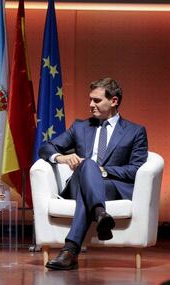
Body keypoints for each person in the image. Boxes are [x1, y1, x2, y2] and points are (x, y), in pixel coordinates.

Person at [39, 78, 148, 270]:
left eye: (96, 101)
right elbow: (46, 147)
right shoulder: (80, 127)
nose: (90, 105)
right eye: (90, 100)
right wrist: (61, 158)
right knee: (88, 164)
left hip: (110, 187)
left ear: (113, 101)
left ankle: (70, 251)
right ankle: (100, 214)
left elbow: (135, 169)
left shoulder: (135, 131)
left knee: (88, 179)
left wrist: (103, 171)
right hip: (78, 182)